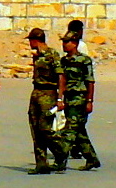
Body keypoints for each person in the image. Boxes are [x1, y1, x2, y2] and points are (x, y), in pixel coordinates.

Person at [25, 28, 67, 174]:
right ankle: (41, 164)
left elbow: (61, 76)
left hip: (48, 93)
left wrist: (60, 98)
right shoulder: (36, 55)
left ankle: (61, 152)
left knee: (45, 128)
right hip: (36, 91)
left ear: (35, 40)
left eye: (30, 40)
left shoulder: (52, 54)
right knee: (35, 127)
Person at [59, 33, 101, 171]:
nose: (64, 44)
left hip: (80, 98)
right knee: (79, 131)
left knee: (70, 130)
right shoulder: (64, 61)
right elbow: (62, 80)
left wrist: (89, 101)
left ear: (75, 43)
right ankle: (92, 158)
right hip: (69, 98)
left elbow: (90, 81)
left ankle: (60, 160)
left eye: (67, 42)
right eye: (63, 42)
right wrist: (60, 98)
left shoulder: (84, 60)